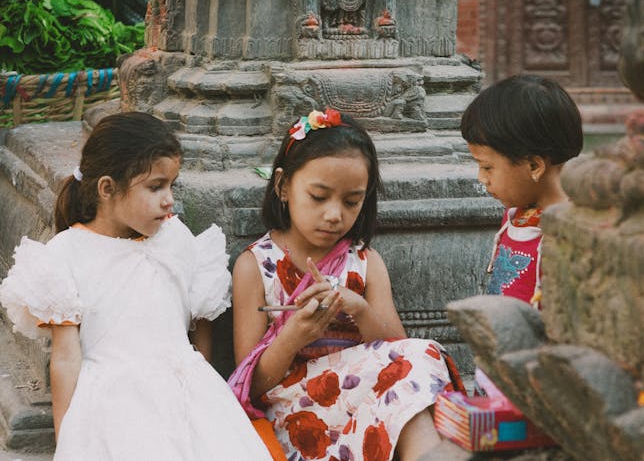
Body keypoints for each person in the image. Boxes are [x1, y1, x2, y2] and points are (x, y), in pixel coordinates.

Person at [0, 112, 273, 460]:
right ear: (107, 188)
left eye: (171, 185)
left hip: (187, 393)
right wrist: (67, 437)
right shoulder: (67, 254)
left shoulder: (176, 237)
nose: (169, 199)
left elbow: (197, 325)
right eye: (155, 187)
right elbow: (66, 357)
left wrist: (199, 391)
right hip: (114, 405)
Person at [229, 108, 464, 461]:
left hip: (365, 399)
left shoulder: (365, 263)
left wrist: (360, 308)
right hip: (300, 412)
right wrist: (294, 334)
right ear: (283, 186)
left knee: (422, 355)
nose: (334, 214)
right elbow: (251, 384)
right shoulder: (255, 265)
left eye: (351, 201)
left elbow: (402, 351)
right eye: (319, 197)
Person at [460, 74, 583, 308]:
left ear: (534, 166)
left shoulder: (572, 233)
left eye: (487, 167)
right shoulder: (515, 215)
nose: (481, 178)